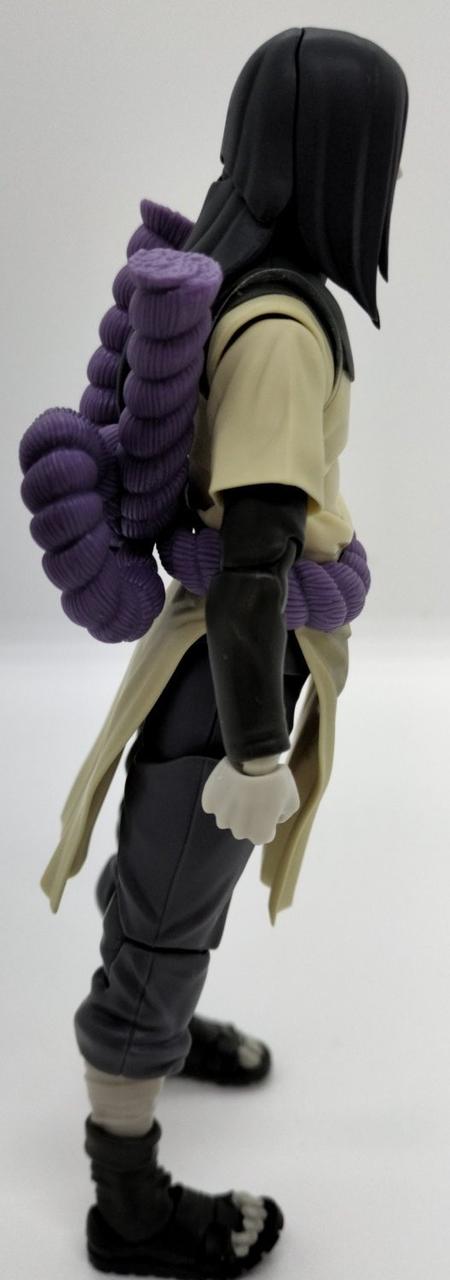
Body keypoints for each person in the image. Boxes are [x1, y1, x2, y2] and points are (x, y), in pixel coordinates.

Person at [22, 26, 408, 1280]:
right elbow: (253, 567)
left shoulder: (241, 265)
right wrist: (252, 749)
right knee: (170, 904)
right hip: (230, 666)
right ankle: (126, 1195)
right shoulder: (285, 325)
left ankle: (161, 1022)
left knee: (169, 871)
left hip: (221, 655)